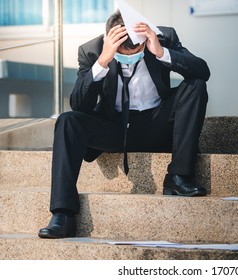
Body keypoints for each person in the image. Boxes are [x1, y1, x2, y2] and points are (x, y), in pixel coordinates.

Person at [38, 10, 210, 239]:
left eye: (136, 51)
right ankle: (63, 214)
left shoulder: (162, 37)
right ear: (110, 40)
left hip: (158, 123)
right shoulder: (91, 51)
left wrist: (160, 51)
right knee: (67, 120)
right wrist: (102, 61)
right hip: (116, 128)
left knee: (196, 86)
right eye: (123, 52)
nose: (130, 56)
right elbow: (79, 105)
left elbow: (202, 71)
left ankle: (179, 177)